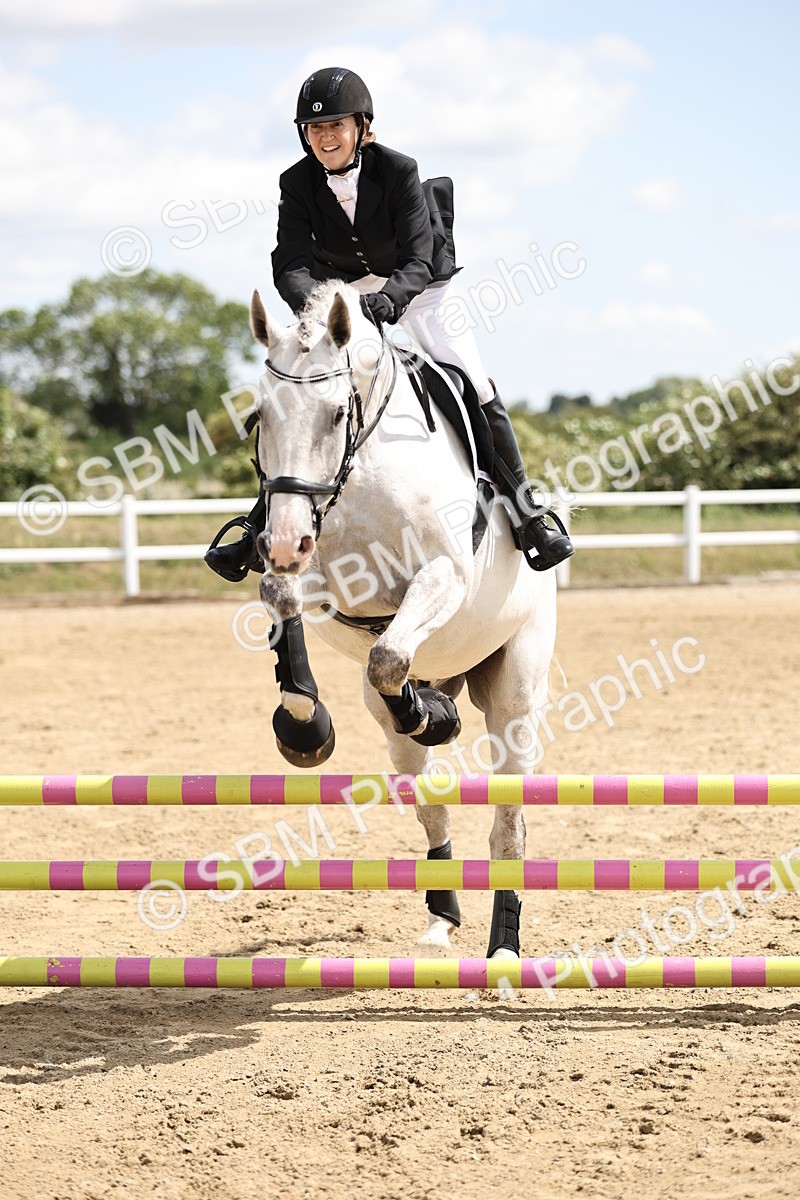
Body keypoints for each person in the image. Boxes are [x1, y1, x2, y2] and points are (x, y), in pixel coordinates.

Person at [205, 66, 574, 581]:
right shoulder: (295, 181)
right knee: (300, 395)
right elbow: (288, 263)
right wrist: (323, 305)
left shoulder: (399, 170)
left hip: (419, 291)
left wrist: (389, 302)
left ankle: (527, 514)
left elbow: (418, 262)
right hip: (344, 295)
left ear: (362, 127)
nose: (324, 136)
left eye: (336, 125)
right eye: (314, 128)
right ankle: (259, 527)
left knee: (472, 380)